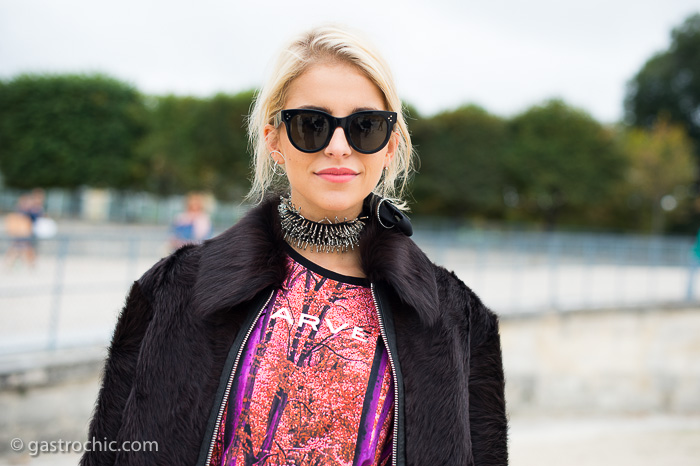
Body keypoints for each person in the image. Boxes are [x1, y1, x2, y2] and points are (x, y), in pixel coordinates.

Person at [81, 25, 507, 466]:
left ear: (390, 146)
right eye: (311, 125)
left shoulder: (458, 318)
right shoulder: (174, 289)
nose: (339, 147)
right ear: (275, 141)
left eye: (365, 127)